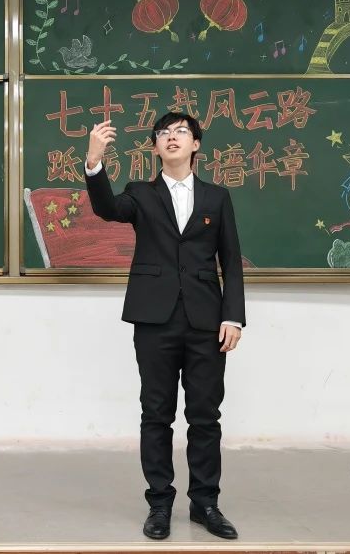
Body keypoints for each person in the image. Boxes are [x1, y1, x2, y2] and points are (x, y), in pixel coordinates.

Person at [84, 111, 245, 541]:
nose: (171, 137)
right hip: (154, 320)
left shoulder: (216, 197)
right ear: (155, 147)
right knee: (156, 414)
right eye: (163, 133)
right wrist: (94, 162)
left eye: (181, 132)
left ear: (196, 144)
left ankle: (205, 503)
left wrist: (233, 316)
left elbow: (231, 260)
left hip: (207, 322)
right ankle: (159, 504)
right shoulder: (140, 193)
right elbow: (107, 209)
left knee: (205, 416)